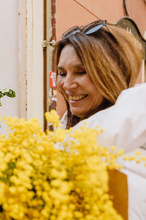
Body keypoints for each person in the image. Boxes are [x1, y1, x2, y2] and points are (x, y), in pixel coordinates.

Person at [54, 19, 146, 219]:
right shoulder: (70, 136)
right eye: (61, 73)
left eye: (81, 72)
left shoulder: (125, 158)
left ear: (112, 73)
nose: (67, 85)